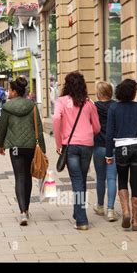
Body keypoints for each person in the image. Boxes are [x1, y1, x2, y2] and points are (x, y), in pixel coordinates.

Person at [106, 79, 137, 231]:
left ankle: (125, 211)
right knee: (135, 182)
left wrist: (109, 154)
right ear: (133, 92)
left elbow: (109, 133)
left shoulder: (114, 108)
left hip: (121, 147)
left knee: (122, 179)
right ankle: (135, 221)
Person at [53, 71, 101, 231]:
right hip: (87, 145)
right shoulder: (89, 103)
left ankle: (81, 220)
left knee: (77, 180)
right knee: (81, 179)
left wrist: (59, 143)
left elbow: (56, 119)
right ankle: (78, 212)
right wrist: (88, 132)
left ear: (67, 85)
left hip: (71, 145)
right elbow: (97, 127)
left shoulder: (61, 101)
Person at [0, 77, 46, 226]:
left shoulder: (7, 107)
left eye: (9, 90)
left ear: (14, 91)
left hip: (16, 148)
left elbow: (2, 128)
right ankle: (27, 208)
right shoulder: (32, 106)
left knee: (19, 177)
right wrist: (42, 150)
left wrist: (1, 145)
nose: (8, 92)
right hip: (31, 146)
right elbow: (39, 128)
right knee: (28, 177)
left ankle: (23, 212)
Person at [92, 82, 117, 222]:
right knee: (112, 178)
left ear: (98, 93)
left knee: (100, 177)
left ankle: (100, 206)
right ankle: (111, 210)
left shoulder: (94, 106)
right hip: (113, 146)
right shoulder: (116, 106)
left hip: (99, 146)